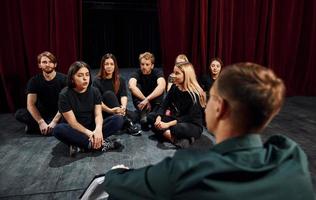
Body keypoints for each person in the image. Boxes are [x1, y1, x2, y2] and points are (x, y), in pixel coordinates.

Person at [102, 63, 315, 200]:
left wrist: (115, 171)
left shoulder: (188, 168)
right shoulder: (291, 158)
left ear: (220, 108)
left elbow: (118, 184)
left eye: (211, 96)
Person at [53, 61, 123, 157]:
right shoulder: (64, 95)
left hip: (92, 126)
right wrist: (90, 134)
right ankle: (102, 144)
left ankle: (81, 146)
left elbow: (98, 114)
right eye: (80, 75)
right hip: (76, 130)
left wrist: (98, 130)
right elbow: (73, 123)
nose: (85, 78)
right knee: (58, 129)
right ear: (72, 78)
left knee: (118, 119)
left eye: (87, 75)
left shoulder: (94, 91)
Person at [150, 61, 205, 148]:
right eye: (174, 72)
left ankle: (175, 136)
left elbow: (188, 117)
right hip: (176, 119)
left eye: (177, 73)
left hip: (191, 124)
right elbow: (164, 104)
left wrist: (167, 125)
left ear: (186, 75)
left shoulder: (195, 94)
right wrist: (159, 117)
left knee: (175, 128)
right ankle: (176, 139)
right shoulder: (174, 87)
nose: (173, 76)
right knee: (151, 117)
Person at [15, 51, 67, 135]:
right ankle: (48, 128)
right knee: (19, 114)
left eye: (50, 62)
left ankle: (35, 128)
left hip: (60, 113)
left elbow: (67, 104)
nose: (48, 64)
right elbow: (30, 104)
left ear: (55, 64)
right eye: (44, 62)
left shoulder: (64, 79)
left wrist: (54, 121)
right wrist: (40, 122)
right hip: (42, 114)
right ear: (39, 65)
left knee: (73, 116)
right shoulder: (34, 81)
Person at [93, 53, 141, 136]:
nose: (109, 66)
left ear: (115, 66)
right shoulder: (97, 81)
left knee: (137, 116)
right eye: (106, 64)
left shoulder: (120, 79)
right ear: (103, 66)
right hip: (105, 111)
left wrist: (123, 107)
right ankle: (127, 124)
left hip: (118, 109)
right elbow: (98, 103)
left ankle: (123, 118)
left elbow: (123, 95)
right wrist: (111, 110)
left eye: (111, 64)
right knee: (109, 94)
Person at [128, 52, 166, 130]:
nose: (144, 67)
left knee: (159, 87)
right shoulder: (137, 73)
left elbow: (162, 86)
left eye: (147, 64)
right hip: (142, 104)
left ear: (152, 66)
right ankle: (143, 114)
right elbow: (131, 86)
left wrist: (147, 99)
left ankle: (152, 114)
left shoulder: (157, 72)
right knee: (135, 86)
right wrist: (145, 100)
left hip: (154, 102)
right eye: (142, 64)